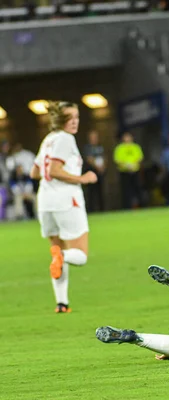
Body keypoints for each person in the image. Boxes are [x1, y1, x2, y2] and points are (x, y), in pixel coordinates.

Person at [29, 101, 97, 313]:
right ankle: (63, 258)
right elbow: (55, 170)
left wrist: (52, 176)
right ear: (60, 121)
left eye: (77, 117)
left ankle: (62, 303)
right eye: (70, 118)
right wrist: (82, 178)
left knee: (57, 251)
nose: (75, 121)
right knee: (79, 255)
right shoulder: (66, 139)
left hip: (46, 202)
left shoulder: (48, 139)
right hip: (66, 201)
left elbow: (35, 173)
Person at [113, 132, 144, 209]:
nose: (127, 139)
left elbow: (140, 158)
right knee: (126, 191)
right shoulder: (119, 148)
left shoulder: (136, 147)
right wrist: (126, 166)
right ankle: (127, 207)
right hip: (124, 172)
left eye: (128, 137)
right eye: (125, 137)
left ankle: (142, 206)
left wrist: (133, 165)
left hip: (135, 171)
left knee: (138, 189)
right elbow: (117, 160)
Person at [83, 130, 106, 212]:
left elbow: (103, 157)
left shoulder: (100, 147)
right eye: (93, 137)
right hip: (91, 171)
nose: (94, 139)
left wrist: (103, 167)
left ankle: (102, 210)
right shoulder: (87, 148)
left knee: (100, 192)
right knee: (91, 192)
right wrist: (97, 166)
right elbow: (89, 159)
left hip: (100, 172)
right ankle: (91, 210)